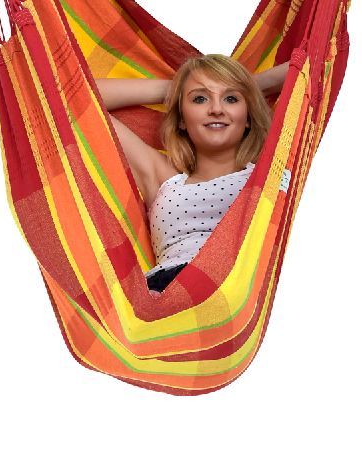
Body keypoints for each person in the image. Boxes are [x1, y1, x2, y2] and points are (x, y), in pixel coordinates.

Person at [97, 55, 288, 293]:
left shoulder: (271, 173)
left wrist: (253, 87)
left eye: (230, 99)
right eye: (199, 99)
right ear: (181, 120)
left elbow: (316, 68)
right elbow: (72, 99)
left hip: (236, 290)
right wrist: (174, 89)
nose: (216, 109)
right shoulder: (163, 178)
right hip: (163, 293)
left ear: (248, 117)